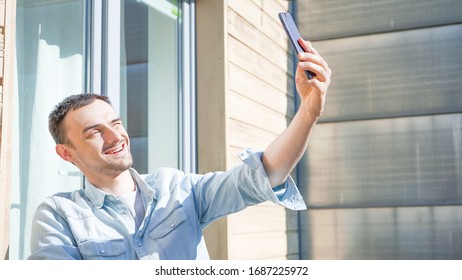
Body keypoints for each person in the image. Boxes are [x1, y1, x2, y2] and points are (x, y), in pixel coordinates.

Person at [28, 39, 332, 260]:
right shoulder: (59, 215)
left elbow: (265, 174)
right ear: (67, 154)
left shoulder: (178, 189)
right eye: (94, 132)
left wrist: (308, 113)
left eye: (115, 122)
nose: (115, 136)